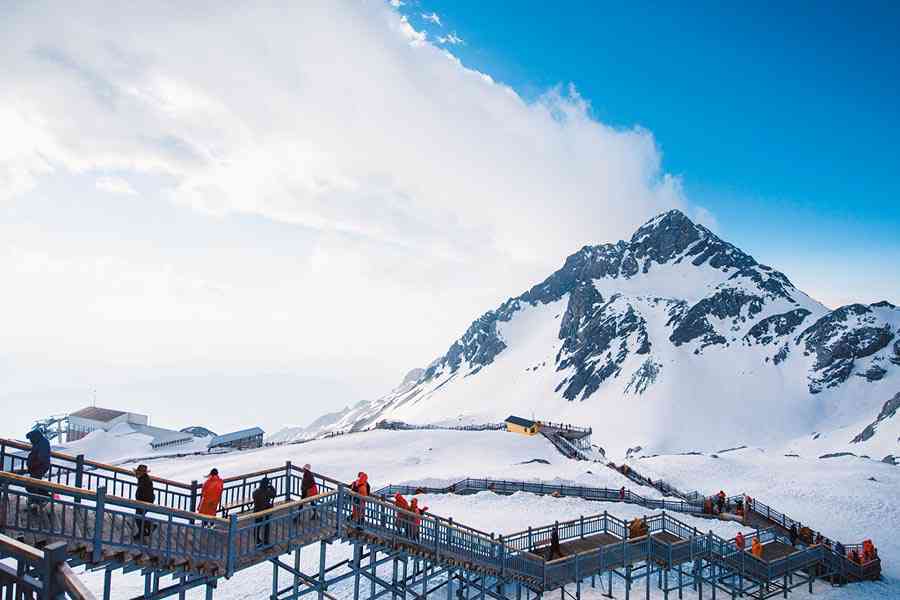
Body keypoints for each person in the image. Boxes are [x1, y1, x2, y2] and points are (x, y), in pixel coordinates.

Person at [133, 464, 156, 540]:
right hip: (145, 500)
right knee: (139, 516)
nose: (136, 474)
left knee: (138, 516)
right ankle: (143, 531)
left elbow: (146, 492)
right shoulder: (143, 478)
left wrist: (141, 501)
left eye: (138, 472)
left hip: (145, 501)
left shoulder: (145, 480)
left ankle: (149, 527)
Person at [253, 476, 276, 546]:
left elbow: (254, 497)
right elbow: (274, 494)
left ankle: (257, 539)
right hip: (266, 511)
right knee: (266, 525)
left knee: (257, 525)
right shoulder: (268, 492)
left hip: (257, 510)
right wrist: (271, 487)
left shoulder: (256, 492)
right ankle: (266, 540)